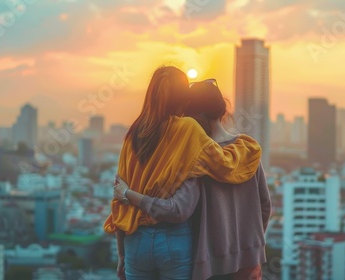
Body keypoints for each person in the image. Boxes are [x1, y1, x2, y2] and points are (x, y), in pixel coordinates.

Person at [103, 67, 262, 280]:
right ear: (183, 99)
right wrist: (248, 147)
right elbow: (225, 164)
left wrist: (122, 255)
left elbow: (119, 199)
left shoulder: (133, 134)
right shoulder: (187, 129)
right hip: (173, 238)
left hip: (134, 240)